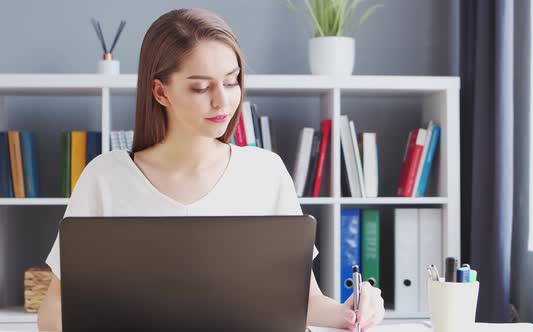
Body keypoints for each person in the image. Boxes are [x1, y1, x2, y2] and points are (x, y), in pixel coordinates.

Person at [37, 8, 385, 331]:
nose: (223, 101)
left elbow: (304, 301)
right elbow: (53, 308)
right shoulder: (105, 177)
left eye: (232, 81)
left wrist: (349, 310)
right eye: (201, 87)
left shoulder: (266, 172)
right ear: (160, 92)